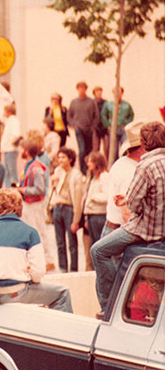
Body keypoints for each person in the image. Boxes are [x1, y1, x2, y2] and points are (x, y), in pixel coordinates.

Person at [91, 121, 165, 316]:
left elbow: (133, 205)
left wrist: (127, 200)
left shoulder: (145, 166)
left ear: (144, 143)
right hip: (162, 229)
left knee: (98, 251)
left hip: (144, 230)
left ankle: (110, 306)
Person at [0, 188, 73, 313]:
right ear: (20, 210)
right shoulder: (30, 233)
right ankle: (58, 331)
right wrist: (26, 275)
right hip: (15, 292)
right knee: (62, 293)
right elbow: (38, 273)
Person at [101, 120, 147, 238]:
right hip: (120, 230)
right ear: (142, 148)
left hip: (112, 227)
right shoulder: (131, 171)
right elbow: (126, 212)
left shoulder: (121, 163)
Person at [18, 138, 55, 272]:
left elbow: (39, 189)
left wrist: (22, 190)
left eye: (22, 149)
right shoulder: (29, 165)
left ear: (27, 151)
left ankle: (48, 260)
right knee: (34, 231)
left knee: (40, 231)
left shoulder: (36, 168)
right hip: (29, 203)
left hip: (35, 204)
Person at [50, 147, 84, 273]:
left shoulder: (76, 175)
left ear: (70, 159)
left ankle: (74, 268)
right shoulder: (57, 171)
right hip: (58, 206)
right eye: (59, 157)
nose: (60, 160)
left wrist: (76, 219)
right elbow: (53, 190)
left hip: (69, 207)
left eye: (63, 157)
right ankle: (62, 267)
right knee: (59, 241)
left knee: (72, 241)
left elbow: (78, 197)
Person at [81, 152, 108, 270]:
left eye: (90, 162)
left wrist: (93, 197)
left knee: (98, 243)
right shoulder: (92, 178)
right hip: (91, 215)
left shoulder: (104, 177)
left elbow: (107, 196)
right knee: (92, 243)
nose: (88, 164)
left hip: (99, 215)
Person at [67, 81, 99, 175]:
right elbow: (69, 116)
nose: (81, 90)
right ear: (77, 89)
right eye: (80, 88)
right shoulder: (74, 102)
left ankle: (90, 170)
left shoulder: (91, 102)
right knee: (82, 150)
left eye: (83, 88)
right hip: (79, 130)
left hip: (89, 129)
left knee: (89, 150)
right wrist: (74, 125)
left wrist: (93, 127)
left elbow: (96, 116)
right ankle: (82, 171)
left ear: (86, 89)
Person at [101, 86, 135, 159]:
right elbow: (103, 115)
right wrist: (108, 125)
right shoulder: (108, 104)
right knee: (114, 149)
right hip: (113, 130)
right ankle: (115, 164)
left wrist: (126, 124)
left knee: (125, 146)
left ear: (122, 93)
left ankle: (125, 161)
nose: (117, 94)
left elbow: (131, 115)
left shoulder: (126, 105)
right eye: (115, 92)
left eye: (119, 92)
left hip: (123, 129)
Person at [0, 103, 21, 187]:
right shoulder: (9, 121)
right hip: (8, 150)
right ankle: (8, 187)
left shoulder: (13, 121)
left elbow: (16, 134)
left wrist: (10, 142)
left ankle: (14, 188)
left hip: (10, 149)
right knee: (7, 171)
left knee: (11, 172)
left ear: (8, 112)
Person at [92, 86, 108, 154]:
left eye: (100, 91)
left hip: (105, 127)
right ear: (94, 93)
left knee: (107, 147)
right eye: (97, 91)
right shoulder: (92, 103)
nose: (99, 93)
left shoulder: (106, 102)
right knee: (96, 148)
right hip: (96, 128)